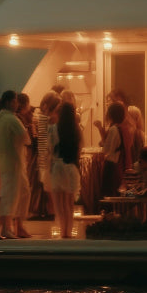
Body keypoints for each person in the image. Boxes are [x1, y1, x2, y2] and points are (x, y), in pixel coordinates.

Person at [0, 90, 32, 239]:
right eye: (16, 101)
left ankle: (18, 226)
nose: (18, 104)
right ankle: (6, 228)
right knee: (11, 195)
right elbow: (26, 139)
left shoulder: (0, 117)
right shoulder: (11, 119)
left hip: (8, 161)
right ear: (10, 102)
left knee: (23, 192)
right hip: (13, 162)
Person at [49, 101, 82, 238]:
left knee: (59, 203)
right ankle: (68, 231)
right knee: (69, 204)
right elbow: (79, 151)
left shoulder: (53, 129)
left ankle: (62, 230)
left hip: (57, 167)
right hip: (71, 167)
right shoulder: (77, 130)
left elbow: (49, 150)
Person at [32, 90, 60, 219]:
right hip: (48, 157)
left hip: (46, 157)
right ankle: (53, 213)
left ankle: (51, 213)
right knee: (50, 189)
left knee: (49, 188)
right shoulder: (45, 120)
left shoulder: (42, 119)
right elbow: (44, 142)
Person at [100, 101, 128, 198]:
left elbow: (107, 149)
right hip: (117, 163)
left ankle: (108, 211)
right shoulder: (121, 128)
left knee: (107, 192)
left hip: (110, 165)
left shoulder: (113, 129)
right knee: (114, 191)